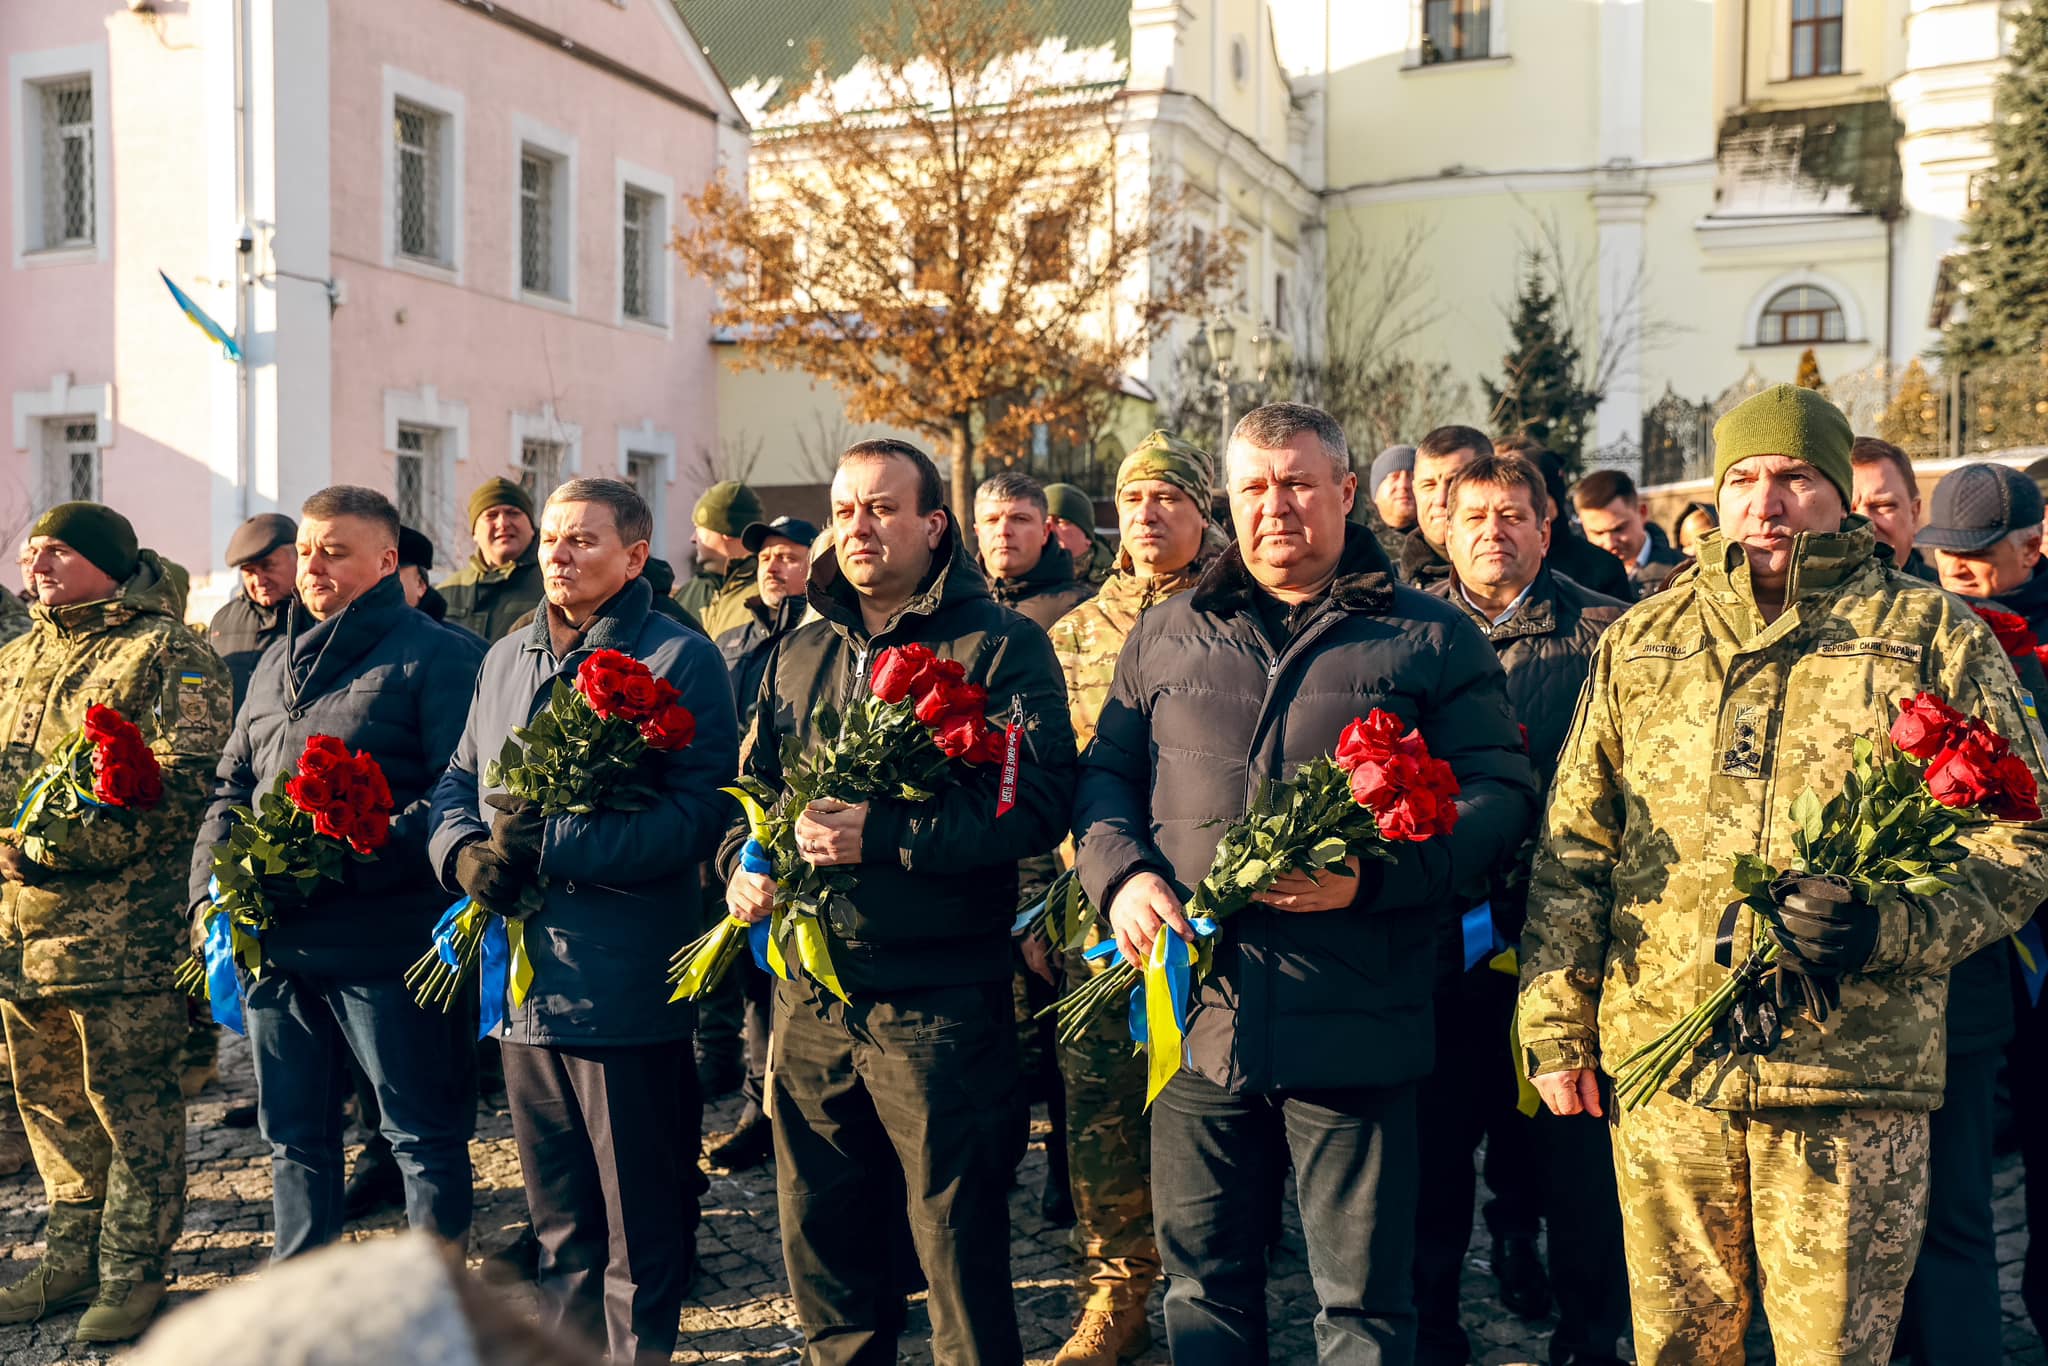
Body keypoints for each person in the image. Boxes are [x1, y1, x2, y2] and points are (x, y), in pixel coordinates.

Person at [1518, 385, 2048, 1366]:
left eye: (1795, 477)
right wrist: (1554, 1023)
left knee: (1834, 1351)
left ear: (1836, 494)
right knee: (1677, 1346)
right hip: (1668, 1069)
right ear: (1716, 500)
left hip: (1849, 1076)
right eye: (1744, 479)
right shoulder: (1641, 641)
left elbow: (2015, 839)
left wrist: (1886, 928)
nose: (1766, 500)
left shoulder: (1930, 637)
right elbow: (1572, 850)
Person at [1074, 403, 1537, 1362]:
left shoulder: (1431, 637)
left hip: (1359, 1013)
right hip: (1200, 1015)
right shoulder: (1167, 630)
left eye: (1296, 483)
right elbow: (1106, 779)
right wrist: (1121, 880)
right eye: (1253, 487)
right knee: (1204, 1288)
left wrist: (1373, 879)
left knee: (1363, 1305)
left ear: (1346, 493)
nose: (1274, 506)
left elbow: (1499, 799)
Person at [720, 438, 1076, 1365]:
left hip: (937, 1001)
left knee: (955, 1249)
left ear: (933, 524)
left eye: (882, 508)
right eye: (845, 510)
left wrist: (885, 837)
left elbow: (1031, 808)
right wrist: (739, 866)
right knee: (824, 1242)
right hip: (809, 998)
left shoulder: (998, 645)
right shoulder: (798, 650)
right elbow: (749, 792)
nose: (859, 527)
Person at [430, 477, 737, 1365]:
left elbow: (694, 819)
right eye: (552, 540)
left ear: (635, 556)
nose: (556, 556)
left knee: (637, 1227)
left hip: (620, 982)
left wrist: (547, 844)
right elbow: (458, 779)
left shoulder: (678, 661)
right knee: (558, 1222)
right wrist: (461, 854)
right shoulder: (505, 657)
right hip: (522, 984)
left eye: (581, 541)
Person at [190, 487, 485, 1262]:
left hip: (386, 949)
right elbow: (230, 786)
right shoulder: (274, 662)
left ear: (387, 561)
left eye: (335, 551)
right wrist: (209, 895)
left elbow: (458, 794)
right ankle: (305, 1300)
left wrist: (345, 855)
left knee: (419, 1134)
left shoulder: (439, 657)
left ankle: (439, 1308)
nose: (312, 566)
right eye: (308, 549)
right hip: (277, 948)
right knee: (295, 1139)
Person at [0, 503, 232, 1342]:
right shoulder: (19, 654)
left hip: (120, 932)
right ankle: (70, 1258)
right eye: (33, 551)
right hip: (19, 934)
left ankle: (133, 1271)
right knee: (50, 1104)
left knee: (127, 1103)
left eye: (59, 550)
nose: (40, 563)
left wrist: (52, 847)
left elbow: (180, 783)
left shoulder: (166, 651)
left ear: (108, 561)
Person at [1421, 455, 1630, 1366]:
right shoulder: (1406, 627)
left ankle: (1589, 1336)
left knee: (1578, 1163)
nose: (1491, 532)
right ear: (1445, 527)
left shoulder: (1610, 634)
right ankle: (1431, 1331)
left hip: (1574, 944)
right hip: (1443, 938)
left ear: (1548, 528)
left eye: (1513, 515)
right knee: (1432, 1158)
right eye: (1473, 515)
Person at [1042, 430, 1222, 1366]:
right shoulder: (1073, 632)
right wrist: (1036, 905)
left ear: (1202, 510)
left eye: (1168, 499)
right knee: (1103, 1107)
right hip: (1098, 914)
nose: (1148, 516)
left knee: (1215, 1105)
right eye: (1134, 500)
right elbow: (1041, 784)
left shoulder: (1242, 615)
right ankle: (1114, 1292)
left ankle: (1220, 1278)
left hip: (1215, 907)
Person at [1901, 461, 2048, 1363]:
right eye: (1945, 552)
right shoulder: (1919, 627)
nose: (1957, 568)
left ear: (2032, 544)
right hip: (1967, 944)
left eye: (1979, 555)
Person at [704, 512, 818, 1174]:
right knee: (753, 983)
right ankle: (759, 1106)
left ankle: (794, 1111)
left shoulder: (821, 638)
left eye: (790, 554)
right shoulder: (735, 640)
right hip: (744, 841)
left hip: (807, 837)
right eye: (767, 555)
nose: (774, 564)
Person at [976, 470, 1096, 628]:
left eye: (1019, 519)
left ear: (1045, 531)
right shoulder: (950, 603)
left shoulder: (1083, 612)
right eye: (992, 520)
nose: (1003, 531)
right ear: (977, 531)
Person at [208, 513, 301, 713]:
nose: (259, 581)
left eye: (268, 566)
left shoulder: (317, 616)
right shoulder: (224, 621)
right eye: (249, 571)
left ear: (298, 559)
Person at [437, 479, 545, 640]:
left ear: (531, 526)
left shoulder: (551, 582)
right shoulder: (448, 590)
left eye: (513, 513)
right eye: (491, 515)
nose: (503, 523)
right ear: (474, 532)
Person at [1572, 469, 1685, 597]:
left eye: (1618, 529)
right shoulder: (1573, 579)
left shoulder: (1683, 575)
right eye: (1598, 533)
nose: (1610, 543)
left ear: (1642, 513)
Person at [1402, 426, 1490, 588]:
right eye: (1428, 485)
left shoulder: (1537, 581)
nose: (1441, 499)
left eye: (1454, 482)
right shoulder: (1387, 585)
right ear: (1415, 489)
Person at [675, 480, 764, 641]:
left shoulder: (767, 593)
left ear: (727, 531)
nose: (693, 539)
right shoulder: (687, 593)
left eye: (699, 528)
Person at [1850, 438, 1934, 581]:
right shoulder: (1803, 599)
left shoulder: (1944, 602)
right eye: (1846, 509)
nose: (1865, 524)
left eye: (1882, 505)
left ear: (1914, 513)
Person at [1045, 483, 1115, 588]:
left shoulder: (1114, 584)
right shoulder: (1020, 577)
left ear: (1087, 536)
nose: (1049, 528)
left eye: (1060, 521)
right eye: (1043, 521)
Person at [1361, 443, 1418, 567]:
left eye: (1412, 477)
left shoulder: (1439, 544)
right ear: (1376, 492)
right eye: (1395, 477)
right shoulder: (1360, 544)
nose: (1404, 485)